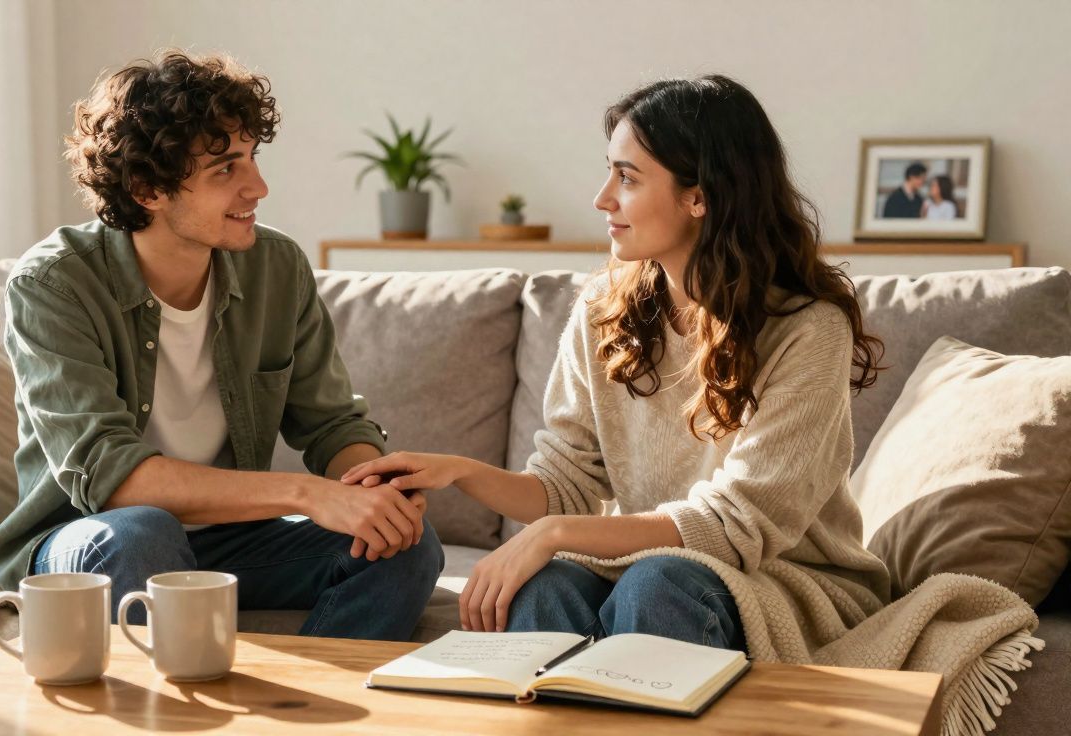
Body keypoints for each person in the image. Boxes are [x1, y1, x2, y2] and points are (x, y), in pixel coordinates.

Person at [342, 75, 892, 652]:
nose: (602, 198)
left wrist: (554, 533)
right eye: (609, 172)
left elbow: (738, 524)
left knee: (658, 586)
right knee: (545, 586)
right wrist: (459, 471)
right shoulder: (606, 309)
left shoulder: (808, 330)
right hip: (655, 567)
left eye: (627, 178)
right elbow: (566, 486)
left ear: (699, 197)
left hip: (786, 581)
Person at [0, 50, 443, 641]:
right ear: (147, 189)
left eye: (252, 157)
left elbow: (331, 424)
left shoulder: (277, 267)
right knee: (141, 532)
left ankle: (311, 695)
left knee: (404, 544)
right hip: (91, 538)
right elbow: (113, 479)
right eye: (225, 169)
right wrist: (307, 494)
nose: (258, 187)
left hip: (230, 540)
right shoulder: (53, 284)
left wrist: (377, 490)